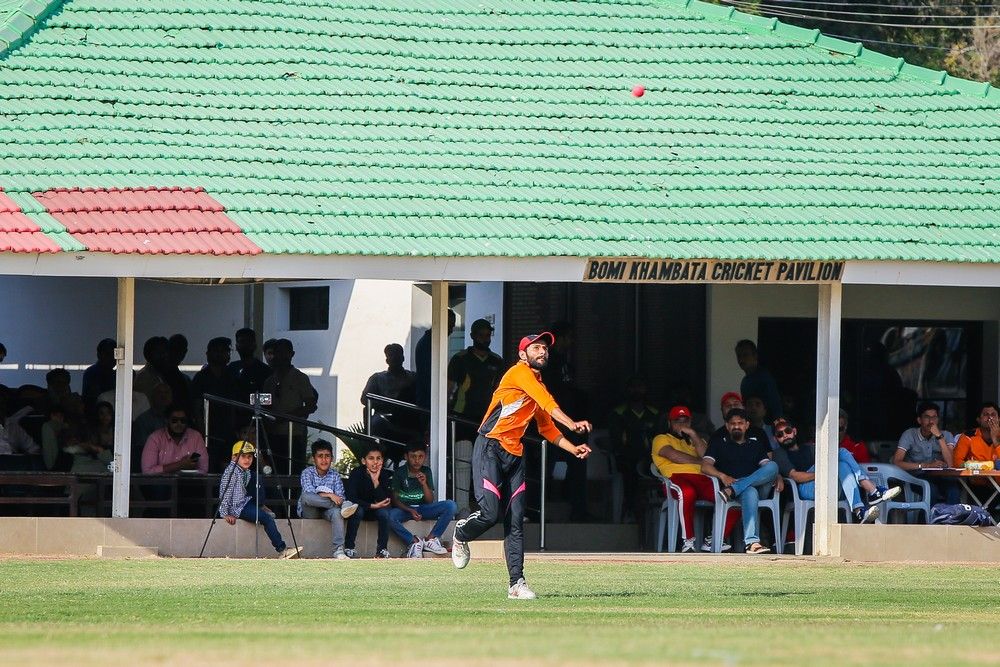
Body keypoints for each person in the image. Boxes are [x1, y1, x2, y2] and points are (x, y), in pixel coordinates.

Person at [451, 332, 592, 600]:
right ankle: (461, 533)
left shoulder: (536, 384)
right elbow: (548, 403)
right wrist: (572, 424)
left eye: (545, 348)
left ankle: (516, 584)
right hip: (490, 448)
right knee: (490, 514)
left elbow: (547, 427)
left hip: (514, 455)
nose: (543, 352)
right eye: (536, 348)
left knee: (515, 521)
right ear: (522, 354)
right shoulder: (519, 373)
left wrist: (573, 448)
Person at [770, 417, 898, 525]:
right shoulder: (779, 453)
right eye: (780, 434)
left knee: (842, 465)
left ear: (794, 431)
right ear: (776, 439)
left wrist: (828, 473)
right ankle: (871, 489)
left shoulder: (809, 448)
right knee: (841, 452)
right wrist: (825, 473)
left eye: (787, 431)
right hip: (803, 489)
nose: (785, 435)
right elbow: (795, 476)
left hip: (825, 485)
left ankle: (860, 511)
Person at [651, 405, 737, 553]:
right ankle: (688, 542)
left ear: (690, 422)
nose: (682, 424)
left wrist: (693, 434)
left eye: (685, 421)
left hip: (703, 479)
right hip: (676, 478)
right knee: (687, 493)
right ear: (669, 423)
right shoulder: (661, 438)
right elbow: (675, 456)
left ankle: (713, 539)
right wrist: (702, 462)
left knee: (733, 498)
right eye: (677, 421)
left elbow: (708, 457)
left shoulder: (696, 440)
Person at [701, 408, 779, 554]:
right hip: (736, 490)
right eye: (733, 423)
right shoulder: (718, 443)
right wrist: (722, 476)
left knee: (773, 466)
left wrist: (777, 476)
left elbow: (767, 468)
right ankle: (752, 543)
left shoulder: (755, 444)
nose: (736, 426)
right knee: (750, 491)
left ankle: (737, 487)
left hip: (740, 490)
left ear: (747, 425)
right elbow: (705, 466)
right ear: (727, 426)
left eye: (740, 423)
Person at [219, 441, 302, 559]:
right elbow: (225, 492)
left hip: (245, 502)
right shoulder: (231, 472)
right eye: (243, 456)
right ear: (234, 457)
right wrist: (225, 513)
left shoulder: (245, 471)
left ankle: (260, 506)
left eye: (249, 457)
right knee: (267, 519)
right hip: (237, 507)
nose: (247, 460)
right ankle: (282, 550)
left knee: (257, 477)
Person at [389, 443, 458, 558]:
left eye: (420, 456)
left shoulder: (426, 471)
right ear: (406, 457)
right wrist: (410, 510)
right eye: (413, 456)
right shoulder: (399, 472)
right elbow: (395, 500)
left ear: (425, 457)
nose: (417, 460)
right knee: (389, 516)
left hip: (423, 509)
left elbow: (430, 500)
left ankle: (430, 539)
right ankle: (414, 542)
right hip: (405, 510)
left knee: (451, 506)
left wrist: (424, 484)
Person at [608, 375, 660, 521]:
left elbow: (660, 439)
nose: (636, 390)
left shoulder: (654, 413)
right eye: (633, 387)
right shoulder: (618, 413)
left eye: (640, 386)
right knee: (630, 471)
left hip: (649, 459)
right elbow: (616, 442)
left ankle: (652, 514)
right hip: (627, 459)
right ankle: (631, 511)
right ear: (627, 390)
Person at [261, 338, 317, 471]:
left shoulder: (300, 378)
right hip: (273, 434)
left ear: (292, 354)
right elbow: (264, 406)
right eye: (278, 352)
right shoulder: (269, 381)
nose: (281, 356)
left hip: (295, 434)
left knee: (294, 470)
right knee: (275, 470)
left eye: (284, 352)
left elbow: (311, 405)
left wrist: (288, 416)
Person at [298, 440, 357, 559]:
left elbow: (340, 496)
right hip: (311, 511)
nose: (324, 460)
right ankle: (344, 506)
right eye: (320, 456)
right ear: (313, 459)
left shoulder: (335, 475)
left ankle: (338, 550)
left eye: (327, 456)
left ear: (332, 458)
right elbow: (310, 493)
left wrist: (337, 499)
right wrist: (330, 495)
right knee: (306, 496)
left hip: (327, 511)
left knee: (337, 513)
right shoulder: (307, 473)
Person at [191, 337, 242, 469]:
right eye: (216, 351)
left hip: (229, 431)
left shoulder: (233, 376)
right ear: (208, 354)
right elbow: (196, 407)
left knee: (229, 468)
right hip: (207, 431)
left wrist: (235, 429)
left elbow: (236, 405)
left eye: (224, 351)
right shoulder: (201, 377)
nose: (220, 354)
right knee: (208, 466)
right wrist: (201, 431)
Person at [894, 401, 960, 503]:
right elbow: (897, 462)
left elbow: (950, 464)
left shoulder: (946, 435)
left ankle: (951, 514)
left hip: (941, 477)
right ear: (919, 420)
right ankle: (926, 514)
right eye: (927, 417)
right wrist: (925, 465)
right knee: (931, 490)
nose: (931, 421)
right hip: (917, 477)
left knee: (954, 491)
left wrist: (939, 437)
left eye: (934, 417)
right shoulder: (909, 434)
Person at [448, 319, 505, 432]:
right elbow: (449, 387)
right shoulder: (460, 359)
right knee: (463, 443)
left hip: (488, 414)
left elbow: (500, 388)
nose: (485, 339)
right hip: (463, 414)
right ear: (472, 336)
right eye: (481, 335)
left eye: (488, 335)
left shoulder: (497, 360)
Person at [360, 343, 418, 440]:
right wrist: (385, 404)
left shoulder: (413, 378)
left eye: (397, 355)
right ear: (387, 360)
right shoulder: (377, 378)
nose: (394, 358)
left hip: (408, 417)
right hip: (384, 415)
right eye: (391, 355)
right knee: (378, 422)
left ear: (402, 358)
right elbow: (364, 399)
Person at [344, 444, 394, 558]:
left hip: (376, 510)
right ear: (363, 461)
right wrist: (372, 505)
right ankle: (349, 547)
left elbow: (385, 500)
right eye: (371, 458)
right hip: (360, 508)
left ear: (382, 461)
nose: (375, 462)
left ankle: (382, 550)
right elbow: (351, 497)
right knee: (358, 511)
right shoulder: (356, 473)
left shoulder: (384, 474)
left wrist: (375, 481)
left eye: (378, 458)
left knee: (384, 513)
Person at [140, 404, 209, 474]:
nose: (179, 424)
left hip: (189, 480)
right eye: (174, 420)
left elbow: (203, 469)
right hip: (162, 481)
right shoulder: (155, 438)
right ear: (167, 420)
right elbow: (147, 471)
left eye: (183, 420)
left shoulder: (196, 437)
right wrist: (180, 465)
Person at [415, 308, 456, 409]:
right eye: (449, 326)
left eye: (452, 327)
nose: (451, 331)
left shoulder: (431, 342)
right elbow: (429, 377)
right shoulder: (429, 344)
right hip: (430, 401)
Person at [734, 340, 783, 421]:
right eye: (739, 356)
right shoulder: (745, 382)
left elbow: (776, 407)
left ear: (755, 356)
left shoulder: (764, 378)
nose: (741, 359)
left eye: (745, 355)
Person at [227, 328, 273, 402]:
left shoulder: (265, 371)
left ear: (254, 345)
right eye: (242, 341)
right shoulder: (231, 368)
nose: (245, 345)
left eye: (248, 341)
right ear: (236, 346)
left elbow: (268, 399)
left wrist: (245, 400)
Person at [953, 402, 1000, 468]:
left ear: (999, 419)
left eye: (993, 415)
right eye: (986, 414)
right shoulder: (968, 436)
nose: (990, 418)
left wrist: (996, 441)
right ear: (978, 419)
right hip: (975, 474)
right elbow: (956, 462)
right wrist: (980, 466)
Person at [81, 338, 117, 409]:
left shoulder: (114, 374)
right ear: (99, 355)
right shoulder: (92, 373)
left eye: (114, 354)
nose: (112, 358)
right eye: (108, 354)